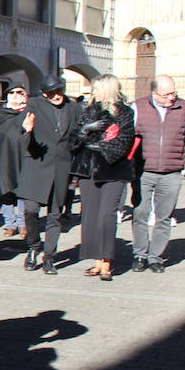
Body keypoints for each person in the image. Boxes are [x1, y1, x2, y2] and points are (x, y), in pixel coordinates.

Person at [70, 74, 136, 281]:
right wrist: (85, 131)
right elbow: (73, 140)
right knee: (90, 215)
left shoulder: (125, 112)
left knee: (107, 214)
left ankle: (106, 260)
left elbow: (124, 140)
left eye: (97, 89)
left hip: (113, 170)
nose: (93, 93)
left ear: (108, 89)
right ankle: (96, 261)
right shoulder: (88, 111)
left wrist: (99, 146)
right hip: (88, 169)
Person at [17, 76, 83, 274]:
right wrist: (26, 131)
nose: (56, 96)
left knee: (55, 215)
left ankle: (49, 257)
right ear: (44, 94)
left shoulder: (73, 107)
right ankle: (33, 246)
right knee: (30, 210)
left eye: (59, 91)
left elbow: (78, 136)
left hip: (61, 167)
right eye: (51, 93)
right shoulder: (34, 105)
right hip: (36, 165)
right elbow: (20, 141)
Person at [131, 75, 185, 273]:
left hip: (171, 171)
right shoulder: (138, 107)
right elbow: (131, 135)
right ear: (154, 94)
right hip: (143, 171)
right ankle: (140, 254)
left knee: (164, 216)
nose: (172, 97)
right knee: (140, 213)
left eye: (173, 92)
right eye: (167, 94)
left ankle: (155, 257)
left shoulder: (184, 108)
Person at [0, 83, 30, 238]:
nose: (16, 95)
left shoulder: (30, 112)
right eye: (12, 92)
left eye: (20, 92)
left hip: (24, 157)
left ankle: (23, 224)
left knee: (23, 192)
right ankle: (10, 224)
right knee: (5, 191)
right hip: (3, 158)